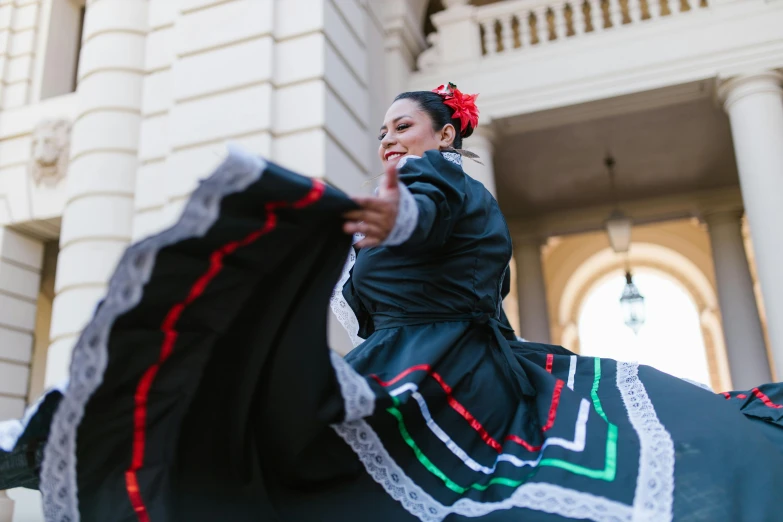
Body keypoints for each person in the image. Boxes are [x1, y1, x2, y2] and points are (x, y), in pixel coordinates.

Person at [2, 83, 783, 522]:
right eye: (381, 128)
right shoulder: (417, 183)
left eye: (401, 126)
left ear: (444, 134)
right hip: (424, 358)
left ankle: (36, 440)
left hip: (444, 370)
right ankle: (42, 438)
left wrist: (391, 218)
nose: (385, 138)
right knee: (277, 445)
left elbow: (428, 211)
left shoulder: (434, 179)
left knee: (294, 458)